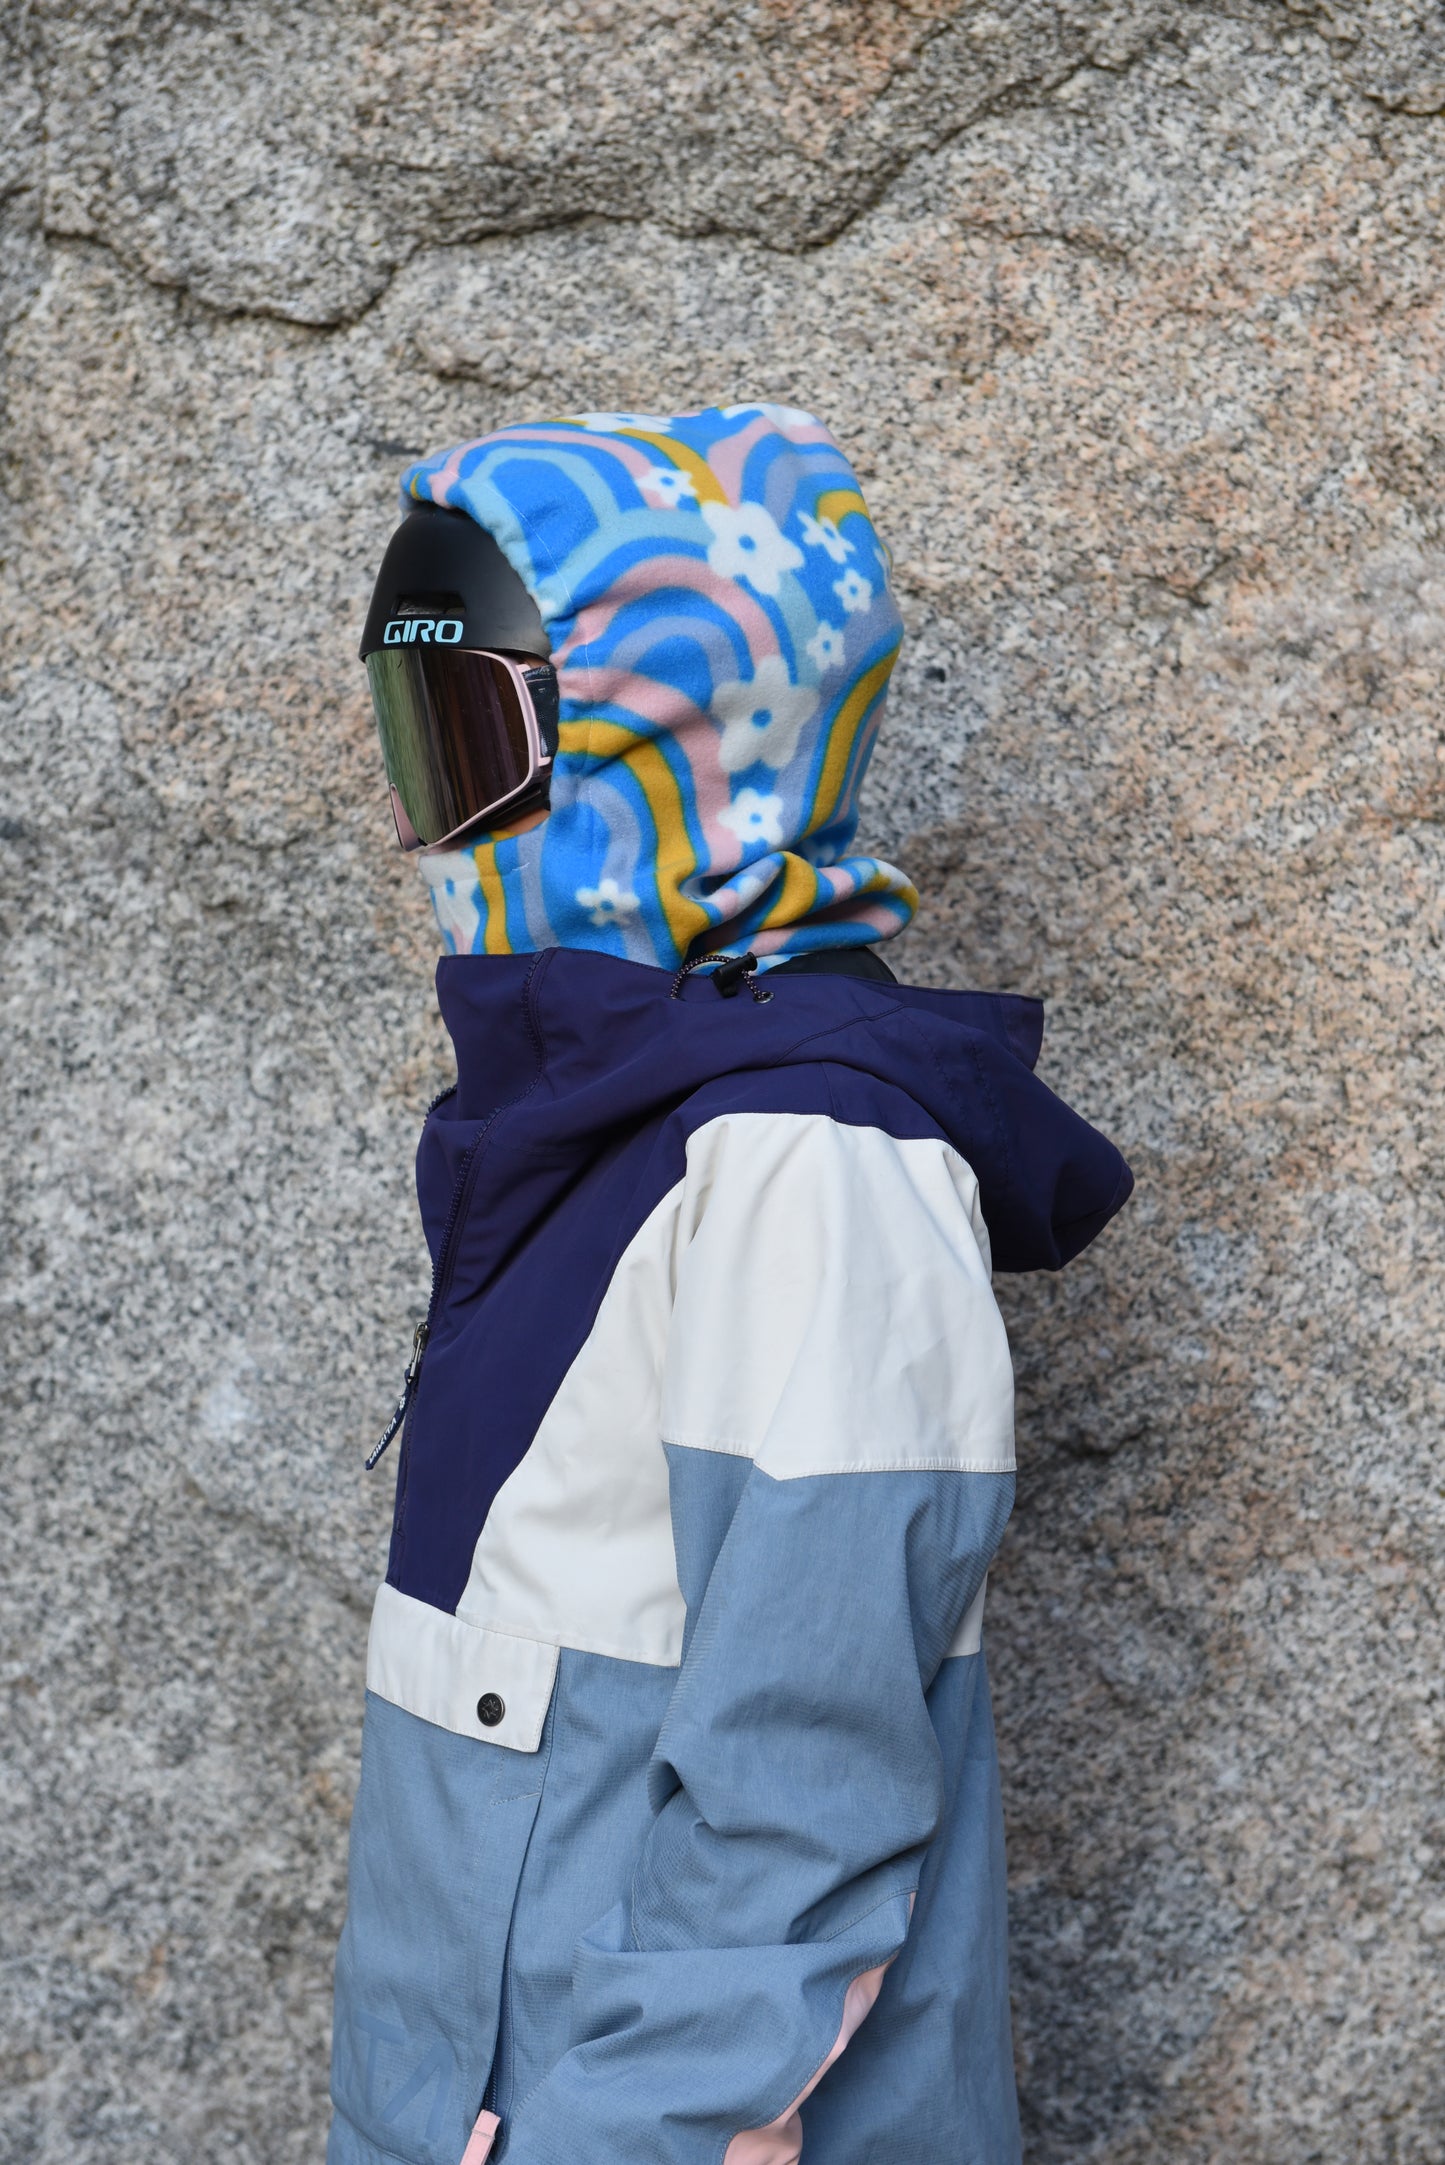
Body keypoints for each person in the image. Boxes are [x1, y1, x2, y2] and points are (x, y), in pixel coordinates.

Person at [328, 403, 1132, 2165]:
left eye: (483, 749)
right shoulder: (587, 1125)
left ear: (669, 739)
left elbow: (802, 1793)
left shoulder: (803, 1161)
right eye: (419, 747)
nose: (435, 828)